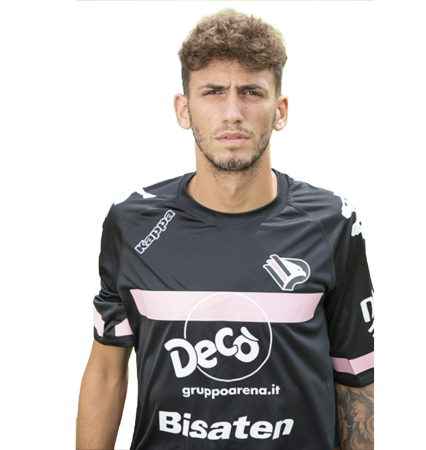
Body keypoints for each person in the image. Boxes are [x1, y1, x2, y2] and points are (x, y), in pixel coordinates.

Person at [75, 7, 375, 450]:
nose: (232, 112)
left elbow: (357, 379)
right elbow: (106, 370)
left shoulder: (334, 220)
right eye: (213, 92)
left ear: (280, 111)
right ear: (183, 110)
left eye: (251, 92)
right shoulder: (130, 219)